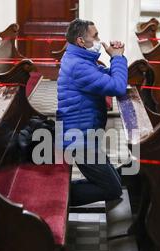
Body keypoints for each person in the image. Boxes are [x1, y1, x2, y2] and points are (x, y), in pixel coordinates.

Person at [56, 18, 128, 206]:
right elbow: (118, 87)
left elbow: (104, 77)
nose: (99, 40)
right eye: (95, 36)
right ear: (81, 41)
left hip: (85, 135)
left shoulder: (78, 58)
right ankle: (53, 198)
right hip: (79, 140)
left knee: (116, 181)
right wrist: (118, 57)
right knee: (112, 188)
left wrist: (114, 59)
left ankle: (60, 191)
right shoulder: (78, 66)